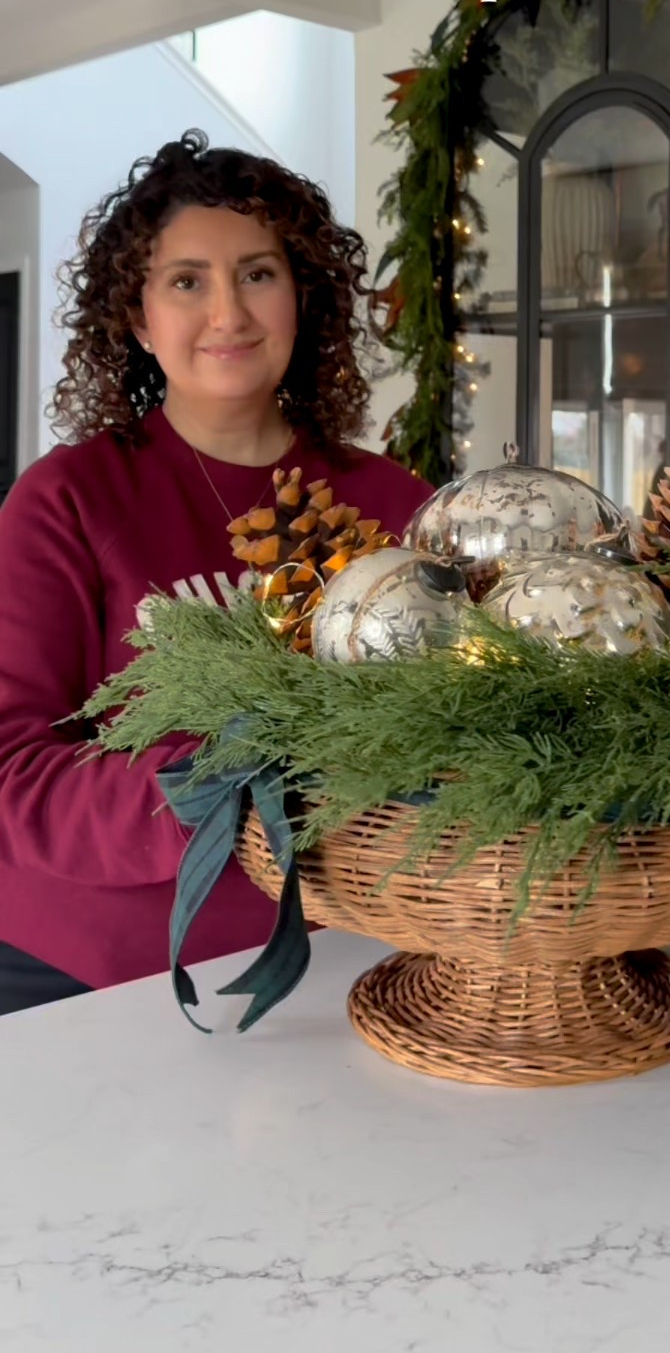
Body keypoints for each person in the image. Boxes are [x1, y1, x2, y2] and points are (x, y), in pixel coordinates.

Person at [0, 131, 431, 1014]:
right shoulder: (67, 501)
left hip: (352, 952)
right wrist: (223, 783)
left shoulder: (397, 504)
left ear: (302, 297)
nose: (228, 313)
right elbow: (13, 773)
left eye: (260, 274)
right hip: (91, 971)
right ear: (136, 315)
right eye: (187, 281)